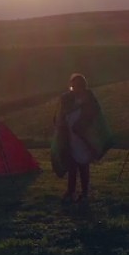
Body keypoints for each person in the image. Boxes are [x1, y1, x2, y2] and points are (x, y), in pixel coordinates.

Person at [51, 73, 114, 203]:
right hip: (70, 138)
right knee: (72, 166)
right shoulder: (67, 99)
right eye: (74, 86)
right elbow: (60, 116)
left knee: (84, 166)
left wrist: (81, 127)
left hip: (84, 138)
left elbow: (94, 116)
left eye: (78, 86)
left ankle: (84, 192)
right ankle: (71, 191)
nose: (76, 88)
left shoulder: (89, 99)